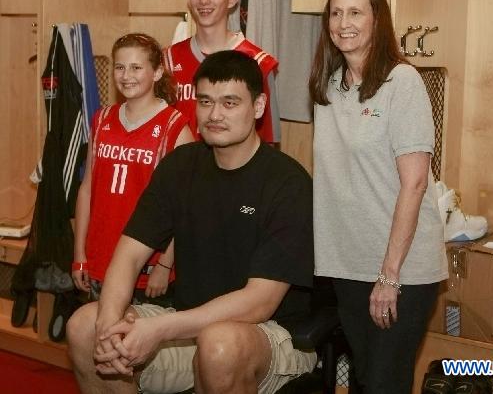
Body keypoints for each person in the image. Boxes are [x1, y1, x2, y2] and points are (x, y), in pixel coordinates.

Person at [67, 50, 316, 394]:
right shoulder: (180, 166)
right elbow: (129, 255)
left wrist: (161, 329)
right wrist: (110, 328)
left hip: (268, 334)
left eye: (230, 103)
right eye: (205, 101)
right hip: (187, 327)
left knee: (219, 344)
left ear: (257, 107)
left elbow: (260, 301)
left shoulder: (288, 183)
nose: (214, 115)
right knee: (85, 326)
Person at [309, 0, 449, 393]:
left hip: (399, 270)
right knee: (368, 380)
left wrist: (389, 277)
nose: (343, 22)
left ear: (377, 20)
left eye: (355, 12)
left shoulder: (401, 82)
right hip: (346, 264)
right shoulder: (328, 87)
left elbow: (416, 183)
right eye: (335, 13)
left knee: (384, 383)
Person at [72, 33, 194, 306]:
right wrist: (79, 252)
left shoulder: (176, 128)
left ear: (158, 72)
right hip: (99, 259)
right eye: (120, 66)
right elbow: (87, 188)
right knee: (98, 341)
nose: (127, 75)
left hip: (147, 268)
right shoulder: (101, 119)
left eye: (137, 67)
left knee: (132, 346)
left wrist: (165, 265)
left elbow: (185, 207)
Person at [163, 0, 279, 142]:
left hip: (233, 170)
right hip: (181, 168)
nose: (204, 0)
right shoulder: (167, 60)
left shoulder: (258, 62)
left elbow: (267, 141)